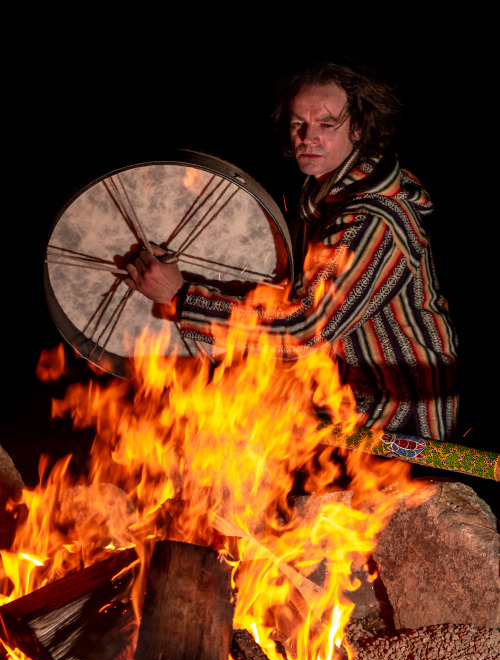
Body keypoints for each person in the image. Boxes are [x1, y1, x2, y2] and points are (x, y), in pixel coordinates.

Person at [124, 60, 458, 441]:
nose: (307, 137)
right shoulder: (321, 199)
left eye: (326, 124)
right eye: (298, 123)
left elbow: (303, 329)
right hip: (340, 407)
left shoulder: (372, 219)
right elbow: (288, 299)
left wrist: (180, 296)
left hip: (398, 426)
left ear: (360, 129)